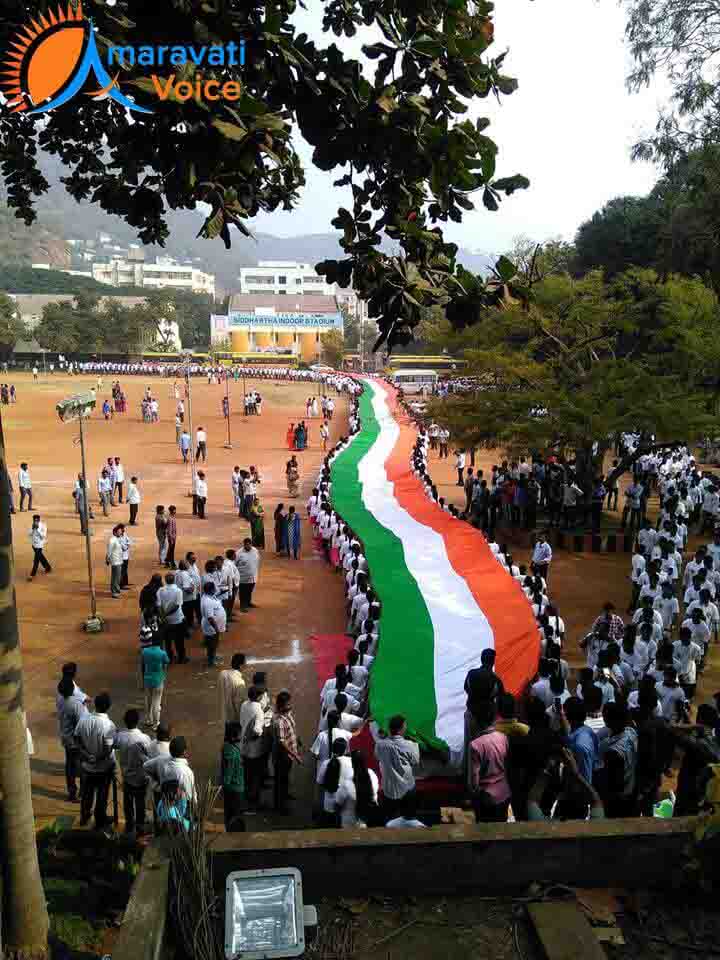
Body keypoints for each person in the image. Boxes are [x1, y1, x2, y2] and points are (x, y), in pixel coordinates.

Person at [74, 692, 117, 831]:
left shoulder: (84, 719)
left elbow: (77, 739)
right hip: (103, 768)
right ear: (108, 707)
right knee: (102, 796)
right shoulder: (108, 725)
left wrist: (86, 756)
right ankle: (100, 821)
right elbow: (108, 748)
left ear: (95, 705)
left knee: (87, 795)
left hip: (87, 767)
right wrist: (97, 758)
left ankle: (84, 817)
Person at [468, 701, 511, 822]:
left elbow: (474, 780)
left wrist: (475, 796)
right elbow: (507, 765)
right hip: (504, 792)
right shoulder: (503, 737)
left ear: (477, 721)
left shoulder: (475, 745)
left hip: (486, 798)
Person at [374, 715, 420, 821]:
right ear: (401, 729)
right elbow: (415, 761)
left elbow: (377, 756)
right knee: (409, 818)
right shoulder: (410, 745)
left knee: (390, 819)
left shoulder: (380, 744)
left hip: (389, 788)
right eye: (405, 726)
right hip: (407, 787)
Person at [115, 709, 151, 835]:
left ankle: (129, 826)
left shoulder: (120, 737)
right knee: (140, 803)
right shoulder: (145, 738)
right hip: (141, 778)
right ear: (138, 721)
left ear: (125, 721)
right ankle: (140, 827)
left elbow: (113, 745)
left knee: (128, 804)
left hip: (127, 778)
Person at [57, 676, 88, 802]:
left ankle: (72, 792)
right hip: (76, 741)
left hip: (66, 738)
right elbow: (83, 724)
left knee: (69, 766)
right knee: (82, 766)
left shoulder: (60, 701)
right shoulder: (76, 704)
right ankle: (82, 792)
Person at [273, 690, 303, 814]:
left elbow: (292, 728)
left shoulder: (288, 714)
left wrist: (297, 739)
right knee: (280, 780)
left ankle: (285, 795)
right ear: (281, 705)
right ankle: (280, 806)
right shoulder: (279, 720)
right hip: (283, 756)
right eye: (287, 704)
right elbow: (281, 742)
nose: (290, 705)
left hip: (288, 755)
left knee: (284, 778)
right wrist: (295, 755)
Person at [335, 750, 380, 828]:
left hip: (349, 824)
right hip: (369, 821)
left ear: (352, 764)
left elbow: (337, 804)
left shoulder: (346, 784)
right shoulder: (372, 775)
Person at [240, 686, 267, 811]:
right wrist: (260, 732)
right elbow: (257, 730)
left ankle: (246, 796)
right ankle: (254, 801)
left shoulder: (244, 705)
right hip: (254, 749)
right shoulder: (258, 710)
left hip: (243, 745)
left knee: (247, 773)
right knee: (255, 775)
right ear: (258, 696)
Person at [140, 628, 170, 730]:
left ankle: (149, 719)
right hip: (158, 679)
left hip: (147, 679)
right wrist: (163, 673)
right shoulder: (162, 653)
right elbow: (166, 664)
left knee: (148, 700)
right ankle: (156, 723)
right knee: (156, 701)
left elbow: (143, 664)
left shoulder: (145, 651)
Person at [220, 722, 246, 832]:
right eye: (240, 734)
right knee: (235, 815)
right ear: (233, 736)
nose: (241, 736)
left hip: (232, 789)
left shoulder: (227, 747)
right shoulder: (232, 754)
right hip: (235, 789)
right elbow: (228, 775)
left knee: (230, 814)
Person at [157, 573, 187, 663]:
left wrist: (163, 615)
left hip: (165, 620)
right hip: (177, 620)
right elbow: (177, 606)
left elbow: (158, 605)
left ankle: (170, 657)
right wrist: (166, 614)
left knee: (167, 641)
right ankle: (181, 658)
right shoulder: (178, 591)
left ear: (165, 580)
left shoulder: (160, 590)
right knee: (179, 640)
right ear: (174, 580)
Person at [201, 581, 226, 667]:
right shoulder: (207, 602)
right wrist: (216, 629)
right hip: (211, 627)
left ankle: (212, 656)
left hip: (213, 626)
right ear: (211, 590)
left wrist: (223, 591)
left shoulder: (208, 596)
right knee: (212, 644)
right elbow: (210, 618)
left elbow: (216, 595)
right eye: (214, 588)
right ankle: (211, 661)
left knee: (213, 643)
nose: (216, 589)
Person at [219, 653, 248, 730]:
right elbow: (238, 703)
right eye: (245, 663)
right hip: (234, 720)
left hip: (225, 716)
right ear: (241, 666)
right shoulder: (240, 682)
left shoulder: (222, 674)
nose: (246, 665)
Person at [236, 538, 260, 612]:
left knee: (250, 590)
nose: (247, 546)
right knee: (243, 591)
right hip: (243, 577)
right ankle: (242, 605)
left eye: (249, 544)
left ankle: (248, 602)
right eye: (246, 545)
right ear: (244, 545)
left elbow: (258, 560)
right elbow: (235, 564)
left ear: (251, 544)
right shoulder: (239, 553)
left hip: (253, 576)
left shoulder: (255, 551)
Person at [28, 514, 51, 580]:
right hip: (34, 545)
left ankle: (32, 575)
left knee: (36, 560)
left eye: (37, 520)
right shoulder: (32, 525)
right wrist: (32, 529)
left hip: (40, 545)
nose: (35, 522)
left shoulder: (43, 526)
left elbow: (43, 536)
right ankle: (48, 567)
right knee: (40, 557)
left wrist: (37, 529)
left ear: (39, 520)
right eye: (34, 520)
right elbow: (29, 534)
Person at [106, 524, 124, 598]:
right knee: (116, 577)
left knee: (115, 577)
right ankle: (115, 592)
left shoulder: (117, 539)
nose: (121, 533)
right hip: (115, 561)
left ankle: (115, 590)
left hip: (118, 560)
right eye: (119, 532)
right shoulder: (112, 540)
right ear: (115, 532)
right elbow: (109, 551)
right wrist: (107, 559)